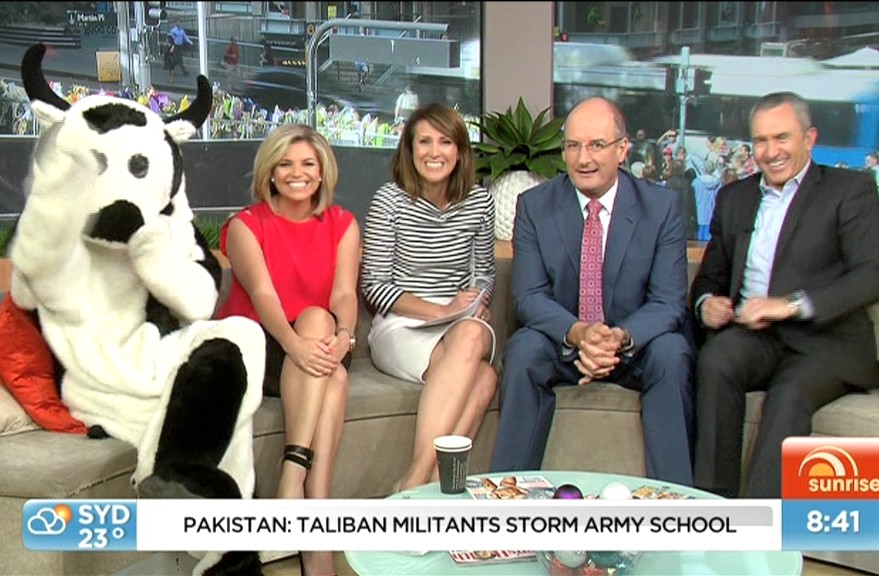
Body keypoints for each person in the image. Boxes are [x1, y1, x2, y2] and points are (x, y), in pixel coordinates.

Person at [690, 92, 879, 499]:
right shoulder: (735, 198)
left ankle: (759, 528)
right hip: (756, 338)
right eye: (761, 141)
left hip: (827, 341)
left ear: (809, 137)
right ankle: (714, 507)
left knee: (789, 395)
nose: (771, 152)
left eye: (781, 138)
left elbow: (877, 277)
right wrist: (706, 304)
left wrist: (790, 305)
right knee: (715, 360)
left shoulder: (849, 189)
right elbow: (710, 277)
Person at [489, 97, 694, 486]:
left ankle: (674, 500)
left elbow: (668, 302)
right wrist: (580, 333)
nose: (583, 159)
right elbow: (530, 297)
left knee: (673, 352)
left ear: (623, 149)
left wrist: (618, 338)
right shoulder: (534, 206)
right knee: (524, 350)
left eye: (597, 145)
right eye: (573, 146)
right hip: (565, 341)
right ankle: (509, 495)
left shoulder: (661, 207)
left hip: (634, 346)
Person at [217, 124, 360, 576]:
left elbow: (344, 294)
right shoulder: (246, 225)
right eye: (286, 164)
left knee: (321, 325)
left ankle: (296, 490)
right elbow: (263, 296)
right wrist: (294, 344)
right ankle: (309, 507)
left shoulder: (343, 224)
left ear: (322, 171)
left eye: (307, 164)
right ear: (271, 173)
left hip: (318, 343)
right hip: (262, 346)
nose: (297, 173)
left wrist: (346, 334)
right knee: (333, 370)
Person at [360, 102, 498, 491]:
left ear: (460, 150)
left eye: (445, 141)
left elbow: (484, 274)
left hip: (459, 325)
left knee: (473, 337)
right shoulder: (389, 200)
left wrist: (476, 302)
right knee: (484, 377)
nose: (434, 152)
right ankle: (427, 478)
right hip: (401, 324)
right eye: (424, 142)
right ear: (409, 149)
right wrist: (440, 309)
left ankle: (419, 480)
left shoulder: (479, 202)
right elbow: (375, 286)